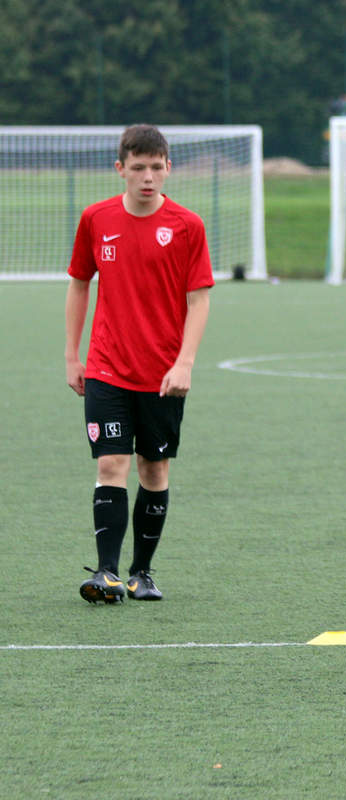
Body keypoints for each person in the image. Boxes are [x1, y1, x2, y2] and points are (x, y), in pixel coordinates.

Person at [65, 124, 214, 604]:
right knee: (111, 463)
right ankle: (106, 573)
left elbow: (199, 300)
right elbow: (79, 284)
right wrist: (74, 355)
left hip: (163, 374)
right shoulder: (96, 219)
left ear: (168, 168)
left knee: (154, 472)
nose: (147, 177)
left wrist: (185, 363)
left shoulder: (188, 226)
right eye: (138, 168)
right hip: (107, 367)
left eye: (156, 167)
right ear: (120, 170)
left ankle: (142, 572)